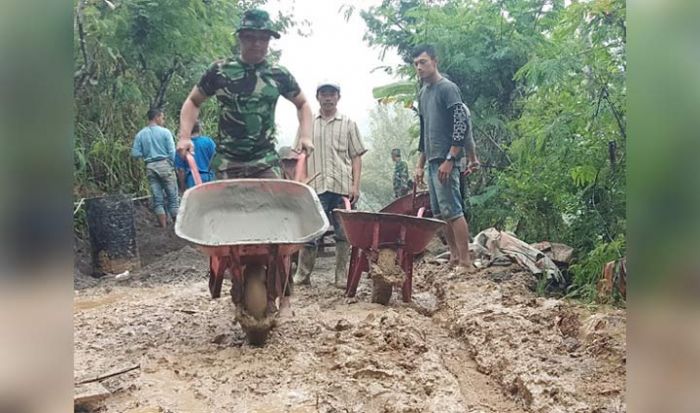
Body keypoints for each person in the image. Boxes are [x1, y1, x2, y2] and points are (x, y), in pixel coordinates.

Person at [176, 8, 314, 179]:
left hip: (265, 163)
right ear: (240, 37)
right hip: (228, 164)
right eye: (250, 37)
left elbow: (303, 104)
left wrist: (306, 136)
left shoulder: (279, 74)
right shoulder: (220, 71)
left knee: (278, 204)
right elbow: (193, 101)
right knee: (219, 206)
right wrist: (184, 137)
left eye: (263, 38)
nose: (257, 44)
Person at [412, 44, 480, 273]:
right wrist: (419, 165)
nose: (419, 67)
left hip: (446, 159)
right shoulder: (423, 93)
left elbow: (461, 126)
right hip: (431, 159)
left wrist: (451, 158)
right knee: (441, 213)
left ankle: (465, 261)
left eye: (423, 62)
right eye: (416, 64)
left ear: (434, 61)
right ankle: (453, 256)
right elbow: (424, 132)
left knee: (453, 210)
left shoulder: (447, 89)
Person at [293, 81, 367, 288]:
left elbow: (356, 157)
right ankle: (302, 274)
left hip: (342, 186)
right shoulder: (307, 125)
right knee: (310, 232)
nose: (328, 97)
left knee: (344, 234)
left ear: (338, 98)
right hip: (315, 188)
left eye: (332, 94)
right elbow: (299, 156)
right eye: (324, 94)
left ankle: (341, 276)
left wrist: (355, 185)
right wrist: (300, 181)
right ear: (317, 97)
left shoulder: (349, 123)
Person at [131, 108, 179, 228]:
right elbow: (172, 152)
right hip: (165, 165)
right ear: (156, 117)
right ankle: (177, 228)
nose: (163, 120)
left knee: (158, 199)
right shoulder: (165, 132)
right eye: (162, 117)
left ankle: (163, 227)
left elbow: (135, 153)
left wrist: (147, 154)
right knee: (173, 198)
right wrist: (174, 165)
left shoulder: (140, 134)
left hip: (150, 167)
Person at [175, 120, 216, 190]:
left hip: (192, 180)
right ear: (199, 129)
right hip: (209, 177)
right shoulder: (209, 142)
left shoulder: (183, 147)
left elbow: (181, 170)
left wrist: (182, 187)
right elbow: (215, 159)